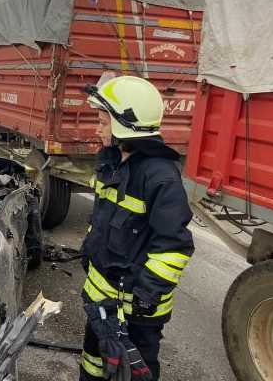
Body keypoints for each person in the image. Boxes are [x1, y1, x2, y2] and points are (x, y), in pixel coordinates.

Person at [79, 74, 194, 381]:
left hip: (137, 313)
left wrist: (147, 295)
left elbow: (174, 247)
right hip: (100, 301)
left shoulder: (161, 178)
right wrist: (89, 250)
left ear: (124, 126)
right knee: (93, 363)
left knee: (134, 372)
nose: (96, 129)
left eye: (102, 122)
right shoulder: (112, 162)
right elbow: (102, 219)